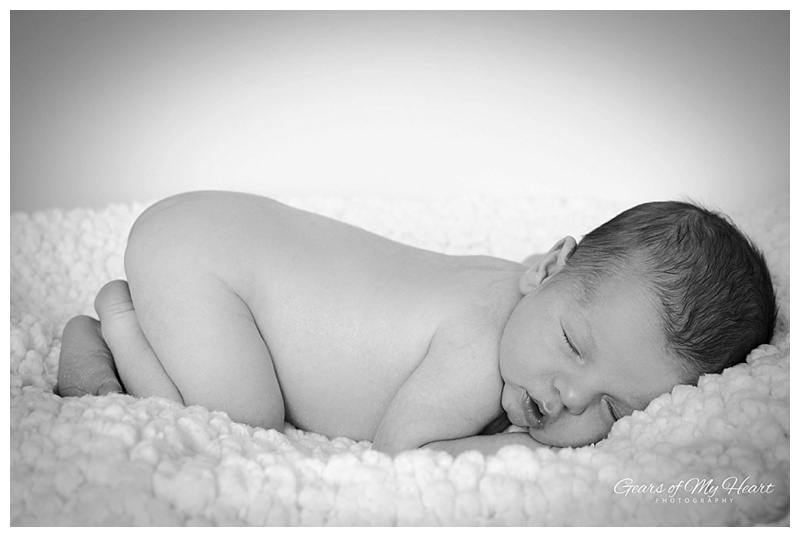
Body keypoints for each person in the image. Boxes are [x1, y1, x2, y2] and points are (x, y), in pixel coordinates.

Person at [56, 191, 776, 455]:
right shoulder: (479, 339)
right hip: (212, 266)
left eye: (614, 406)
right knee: (242, 418)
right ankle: (118, 329)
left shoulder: (519, 292)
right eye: (573, 345)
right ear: (548, 267)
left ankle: (133, 321)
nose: (568, 395)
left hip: (214, 229)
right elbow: (404, 443)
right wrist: (506, 453)